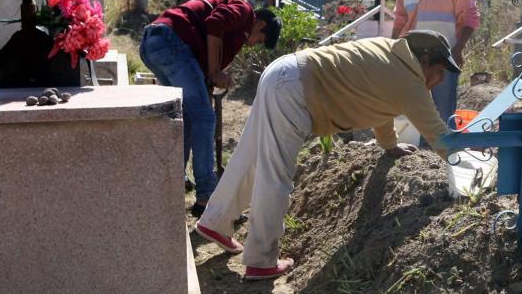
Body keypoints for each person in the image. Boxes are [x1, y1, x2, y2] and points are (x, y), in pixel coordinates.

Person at [195, 31, 455, 280]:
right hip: (294, 88)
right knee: (276, 173)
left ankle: (216, 221)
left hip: (284, 73)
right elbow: (438, 136)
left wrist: (389, 145)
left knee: (249, 156)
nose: (441, 79)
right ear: (424, 60)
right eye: (440, 71)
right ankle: (261, 260)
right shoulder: (408, 80)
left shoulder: (391, 55)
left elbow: (383, 106)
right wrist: (466, 165)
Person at [139, 0, 280, 217]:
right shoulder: (244, 10)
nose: (253, 44)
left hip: (154, 43)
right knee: (204, 118)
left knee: (184, 118)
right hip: (170, 40)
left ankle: (173, 186)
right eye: (260, 39)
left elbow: (200, 60)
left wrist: (209, 78)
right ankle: (208, 197)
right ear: (260, 24)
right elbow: (214, 24)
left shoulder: (236, 31)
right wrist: (215, 71)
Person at [392, 0, 480, 122]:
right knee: (414, 112)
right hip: (412, 57)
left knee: (442, 113)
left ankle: (442, 150)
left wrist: (457, 50)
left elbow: (470, 18)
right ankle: (420, 151)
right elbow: (400, 19)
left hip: (443, 59)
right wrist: (391, 49)